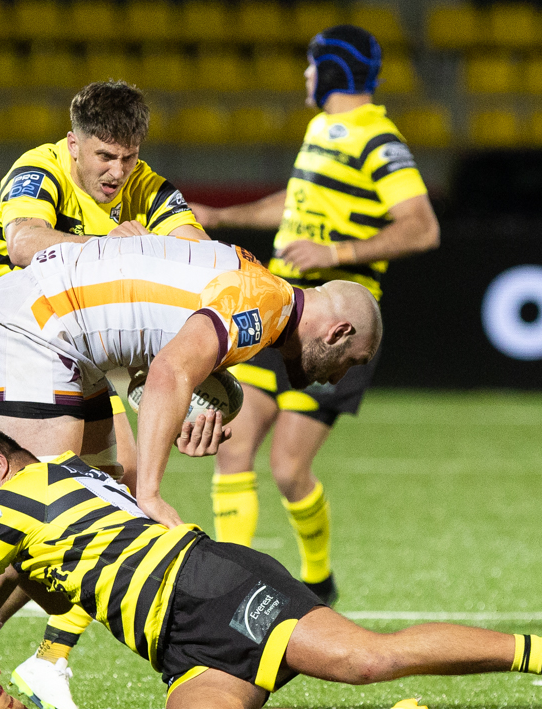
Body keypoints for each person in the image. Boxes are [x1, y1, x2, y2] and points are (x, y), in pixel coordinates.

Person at [0, 233, 377, 709]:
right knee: (49, 513)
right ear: (338, 331)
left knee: (84, 526)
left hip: (74, 340)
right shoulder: (263, 306)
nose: (340, 376)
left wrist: (174, 409)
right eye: (353, 361)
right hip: (33, 328)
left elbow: (143, 343)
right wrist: (151, 493)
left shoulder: (258, 285)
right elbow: (168, 371)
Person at [0, 425, 542, 709]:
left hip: (207, 585)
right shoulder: (72, 475)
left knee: (365, 657)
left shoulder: (16, 496)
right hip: (179, 641)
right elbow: (65, 587)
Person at [0, 80, 207, 709]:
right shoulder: (37, 169)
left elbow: (193, 257)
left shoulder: (148, 187)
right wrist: (123, 250)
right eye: (104, 156)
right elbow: (25, 243)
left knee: (111, 489)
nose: (116, 172)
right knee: (45, 504)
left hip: (66, 346)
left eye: (128, 158)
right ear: (73, 142)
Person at [191, 25, 440, 607]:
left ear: (332, 69)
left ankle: (319, 579)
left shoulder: (379, 140)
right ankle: (233, 588)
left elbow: (422, 226)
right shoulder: (322, 129)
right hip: (276, 313)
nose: (305, 75)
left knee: (288, 471)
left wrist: (338, 255)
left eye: (311, 65)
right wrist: (224, 214)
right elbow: (296, 201)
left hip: (332, 332)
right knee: (233, 445)